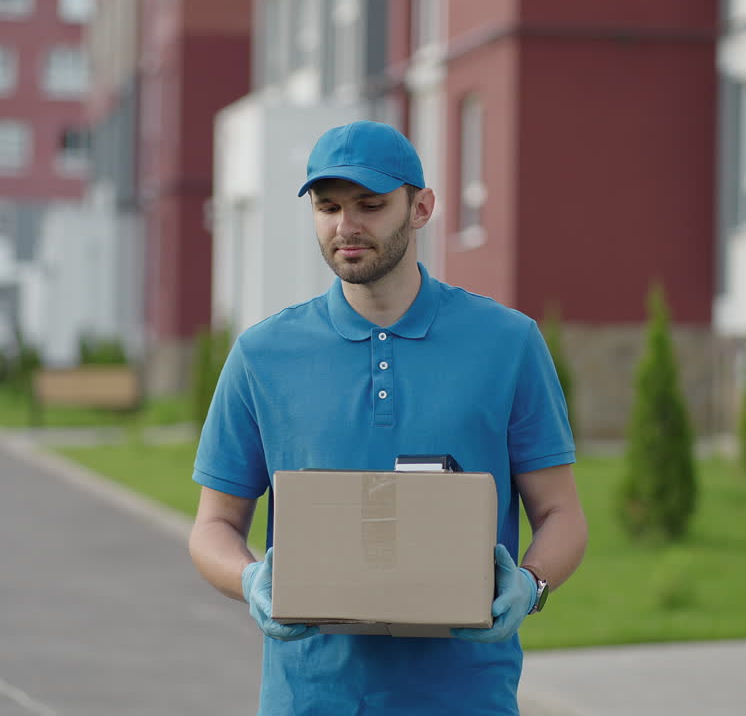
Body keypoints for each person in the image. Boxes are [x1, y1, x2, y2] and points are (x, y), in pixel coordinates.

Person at [188, 120, 588, 715]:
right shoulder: (262, 354)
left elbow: (561, 514)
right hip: (309, 701)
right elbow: (213, 527)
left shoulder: (507, 343)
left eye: (370, 205)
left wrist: (530, 585)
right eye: (328, 207)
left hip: (465, 698)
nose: (346, 226)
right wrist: (251, 582)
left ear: (421, 207)